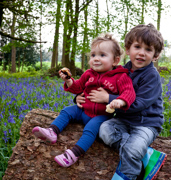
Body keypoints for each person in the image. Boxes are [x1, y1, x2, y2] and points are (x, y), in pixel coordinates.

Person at [76, 23, 166, 180]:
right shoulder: (121, 71)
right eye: (137, 47)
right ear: (128, 49)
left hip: (146, 123)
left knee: (133, 147)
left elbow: (138, 104)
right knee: (104, 130)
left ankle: (125, 176)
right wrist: (78, 97)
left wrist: (108, 99)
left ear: (155, 56)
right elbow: (98, 85)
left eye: (148, 50)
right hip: (123, 120)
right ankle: (145, 155)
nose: (141, 53)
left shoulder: (151, 76)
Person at [32, 33, 136, 168]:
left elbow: (129, 92)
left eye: (102, 55)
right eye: (93, 55)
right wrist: (69, 81)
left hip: (101, 115)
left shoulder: (120, 77)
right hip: (82, 110)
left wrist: (119, 101)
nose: (96, 59)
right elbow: (77, 87)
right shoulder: (88, 73)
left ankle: (73, 154)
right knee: (67, 111)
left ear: (115, 61)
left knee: (90, 129)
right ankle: (52, 131)